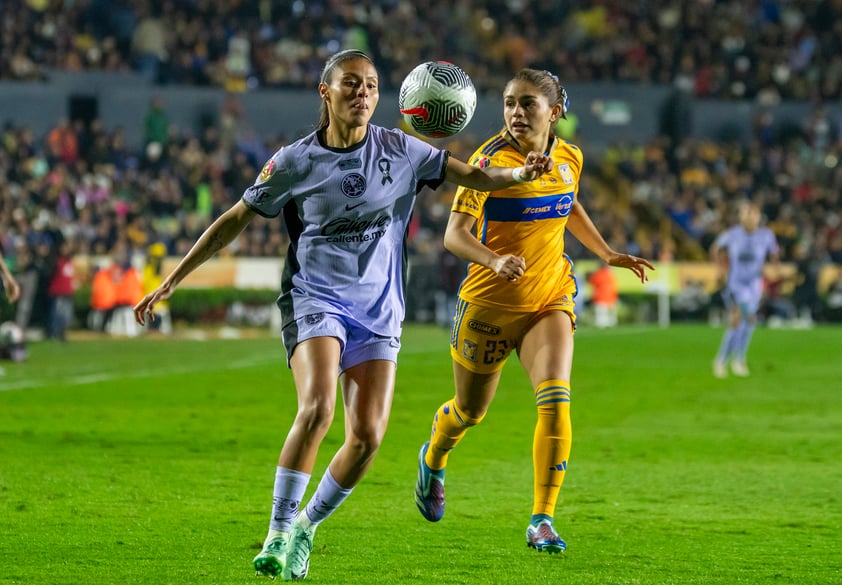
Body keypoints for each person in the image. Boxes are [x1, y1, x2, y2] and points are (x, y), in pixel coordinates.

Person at [132, 49, 552, 581]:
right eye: (351, 84)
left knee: (369, 437)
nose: (362, 93)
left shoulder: (403, 149)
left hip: (378, 310)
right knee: (316, 408)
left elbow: (475, 176)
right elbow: (235, 217)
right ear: (325, 92)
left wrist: (518, 174)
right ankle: (277, 533)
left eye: (372, 86)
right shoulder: (293, 161)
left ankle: (306, 528)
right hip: (315, 299)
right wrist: (174, 276)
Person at [414, 69, 654, 554]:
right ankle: (434, 455)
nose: (516, 113)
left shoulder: (570, 156)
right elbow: (454, 235)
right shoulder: (487, 162)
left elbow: (568, 204)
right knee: (469, 412)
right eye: (508, 103)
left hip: (549, 298)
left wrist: (606, 252)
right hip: (489, 304)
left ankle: (542, 520)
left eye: (527, 104)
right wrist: (494, 259)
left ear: (555, 112)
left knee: (555, 399)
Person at [710, 200, 780, 378]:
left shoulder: (766, 235)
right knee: (737, 318)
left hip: (754, 285)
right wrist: (719, 269)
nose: (749, 218)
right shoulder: (733, 234)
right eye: (745, 214)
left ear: (758, 217)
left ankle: (738, 359)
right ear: (741, 217)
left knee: (749, 321)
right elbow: (716, 247)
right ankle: (721, 361)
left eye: (752, 214)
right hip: (736, 283)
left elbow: (774, 252)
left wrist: (774, 269)